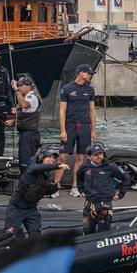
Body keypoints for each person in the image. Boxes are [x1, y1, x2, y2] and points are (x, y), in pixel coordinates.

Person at [4, 147, 67, 236]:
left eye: (53, 158)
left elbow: (44, 191)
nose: (52, 160)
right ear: (41, 157)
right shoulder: (32, 167)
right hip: (17, 208)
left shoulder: (46, 174)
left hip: (31, 209)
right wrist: (58, 166)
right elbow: (37, 168)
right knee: (9, 236)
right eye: (49, 157)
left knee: (36, 236)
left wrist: (55, 188)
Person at [57, 63, 97, 197]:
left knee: (81, 156)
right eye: (89, 73)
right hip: (70, 125)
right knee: (63, 155)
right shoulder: (67, 88)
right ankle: (55, 185)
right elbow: (62, 111)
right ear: (81, 73)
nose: (90, 75)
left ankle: (75, 186)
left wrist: (93, 130)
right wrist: (63, 130)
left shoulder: (90, 90)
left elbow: (92, 110)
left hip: (85, 125)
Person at [76, 142, 130, 235]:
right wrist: (81, 190)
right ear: (89, 156)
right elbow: (79, 177)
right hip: (89, 204)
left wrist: (121, 194)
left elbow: (126, 177)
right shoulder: (84, 167)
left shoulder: (111, 166)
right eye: (95, 155)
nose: (99, 156)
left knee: (104, 233)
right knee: (87, 231)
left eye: (100, 154)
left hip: (105, 205)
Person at [14, 75, 42, 168]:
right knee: (22, 158)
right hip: (24, 132)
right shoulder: (25, 97)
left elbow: (24, 105)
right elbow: (22, 111)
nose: (18, 88)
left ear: (27, 86)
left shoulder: (31, 97)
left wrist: (16, 90)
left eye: (20, 86)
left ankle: (28, 179)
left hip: (30, 134)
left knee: (26, 159)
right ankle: (25, 177)